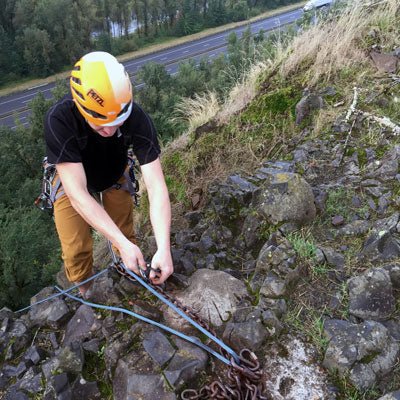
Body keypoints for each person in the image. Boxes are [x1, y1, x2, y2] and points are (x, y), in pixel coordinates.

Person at [44, 51, 173, 296]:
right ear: (82, 108)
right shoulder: (60, 120)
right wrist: (120, 244)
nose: (111, 129)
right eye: (101, 123)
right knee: (76, 248)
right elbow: (78, 195)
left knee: (124, 233)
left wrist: (163, 248)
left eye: (118, 120)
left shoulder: (136, 116)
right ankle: (86, 292)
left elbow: (156, 186)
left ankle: (131, 275)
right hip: (72, 179)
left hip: (114, 172)